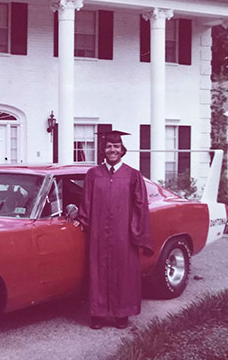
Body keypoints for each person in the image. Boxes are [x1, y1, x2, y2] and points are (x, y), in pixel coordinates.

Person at [74, 130, 154, 330]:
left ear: (122, 150)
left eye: (116, 146)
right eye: (109, 146)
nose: (112, 150)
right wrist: (81, 220)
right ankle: (98, 315)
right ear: (104, 150)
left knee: (124, 273)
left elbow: (140, 206)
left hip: (123, 235)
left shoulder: (133, 175)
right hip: (98, 234)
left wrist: (136, 233)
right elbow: (86, 202)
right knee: (98, 272)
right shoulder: (93, 174)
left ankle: (121, 315)